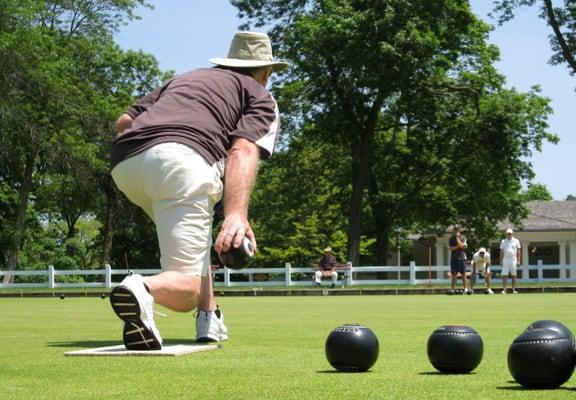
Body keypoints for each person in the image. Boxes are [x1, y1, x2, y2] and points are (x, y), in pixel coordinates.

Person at [108, 32, 288, 350]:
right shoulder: (261, 98)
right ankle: (140, 287)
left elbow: (124, 121)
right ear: (266, 72)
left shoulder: (185, 79)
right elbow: (242, 151)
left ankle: (209, 317)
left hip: (126, 164)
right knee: (187, 287)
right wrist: (236, 216)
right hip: (182, 162)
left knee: (198, 242)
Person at [448, 225, 469, 294]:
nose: (455, 231)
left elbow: (463, 247)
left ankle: (465, 289)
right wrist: (458, 246)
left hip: (462, 257)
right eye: (455, 230)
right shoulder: (451, 238)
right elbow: (451, 248)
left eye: (457, 230)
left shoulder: (463, 237)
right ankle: (452, 289)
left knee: (463, 274)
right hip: (454, 258)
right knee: (454, 274)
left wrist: (457, 238)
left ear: (459, 230)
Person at [499, 228, 522, 294]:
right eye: (508, 233)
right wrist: (501, 261)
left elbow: (518, 251)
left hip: (513, 259)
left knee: (514, 275)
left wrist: (518, 261)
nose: (509, 234)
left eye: (510, 233)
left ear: (512, 234)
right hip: (505, 259)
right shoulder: (503, 241)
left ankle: (513, 289)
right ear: (506, 234)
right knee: (505, 274)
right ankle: (504, 289)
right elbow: (501, 251)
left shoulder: (516, 241)